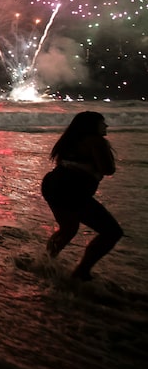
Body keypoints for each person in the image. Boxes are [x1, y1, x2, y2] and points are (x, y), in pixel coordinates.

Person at [41, 111, 123, 281]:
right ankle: (82, 271)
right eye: (103, 123)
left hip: (53, 184)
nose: (106, 126)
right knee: (112, 232)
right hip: (72, 190)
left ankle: (46, 261)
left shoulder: (69, 141)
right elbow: (108, 169)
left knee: (68, 229)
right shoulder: (96, 141)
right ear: (93, 126)